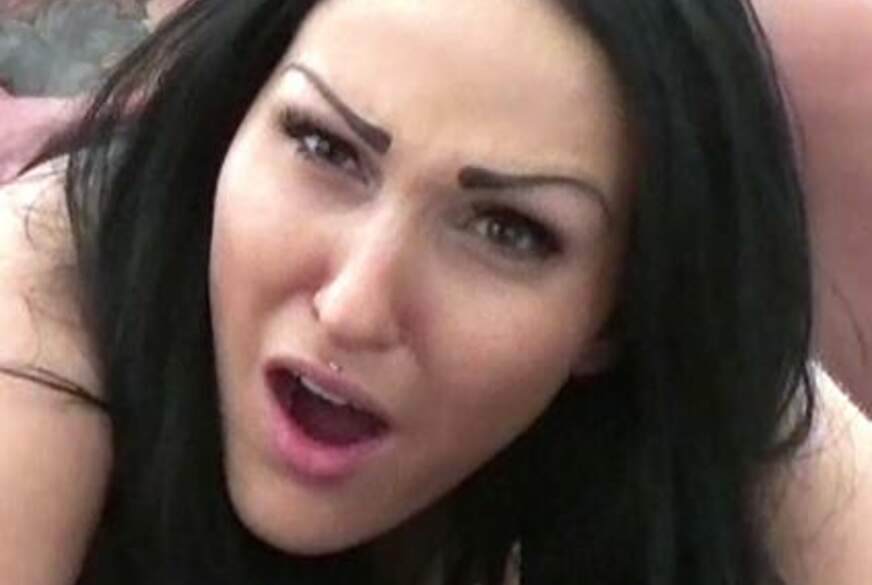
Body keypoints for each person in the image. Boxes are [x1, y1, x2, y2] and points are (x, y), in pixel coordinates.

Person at [0, 1, 869, 584]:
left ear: (617, 315)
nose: (354, 306)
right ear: (232, 118)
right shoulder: (50, 284)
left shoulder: (721, 416)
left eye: (507, 231)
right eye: (324, 146)